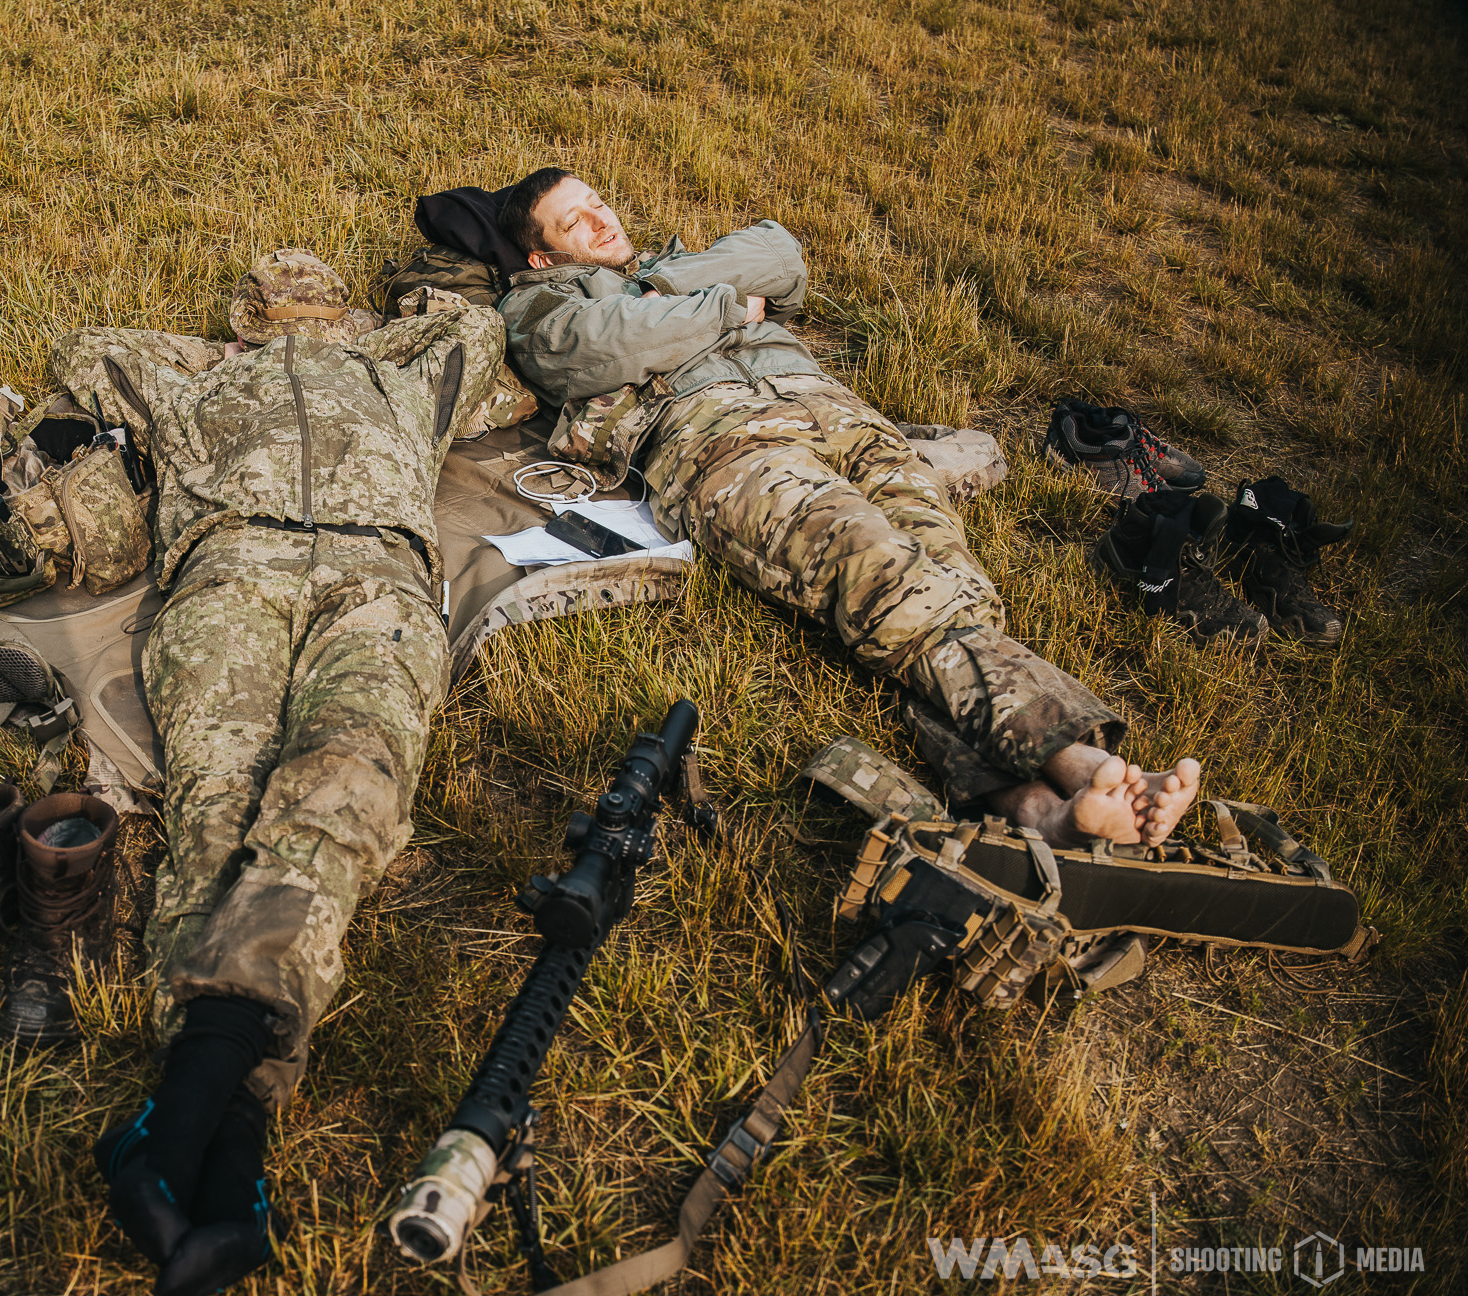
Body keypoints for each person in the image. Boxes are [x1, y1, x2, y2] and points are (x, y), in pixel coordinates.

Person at [45, 251, 505, 1296]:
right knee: (216, 808)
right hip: (229, 571)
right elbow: (86, 351)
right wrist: (219, 359)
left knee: (348, 784)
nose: (299, 310)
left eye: (318, 299)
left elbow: (478, 334)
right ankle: (229, 1143)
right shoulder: (191, 380)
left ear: (348, 315)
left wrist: (373, 339)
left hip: (377, 576)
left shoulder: (402, 377)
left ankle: (183, 1122)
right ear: (241, 319)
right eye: (273, 301)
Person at [495, 169, 1200, 847]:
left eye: (597, 201)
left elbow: (780, 254)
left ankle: (1035, 809)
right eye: (573, 221)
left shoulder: (674, 263)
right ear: (542, 255)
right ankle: (1076, 756)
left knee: (948, 582)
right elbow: (599, 346)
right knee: (880, 569)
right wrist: (726, 306)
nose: (600, 220)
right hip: (721, 438)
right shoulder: (537, 306)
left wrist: (667, 287)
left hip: (842, 415)